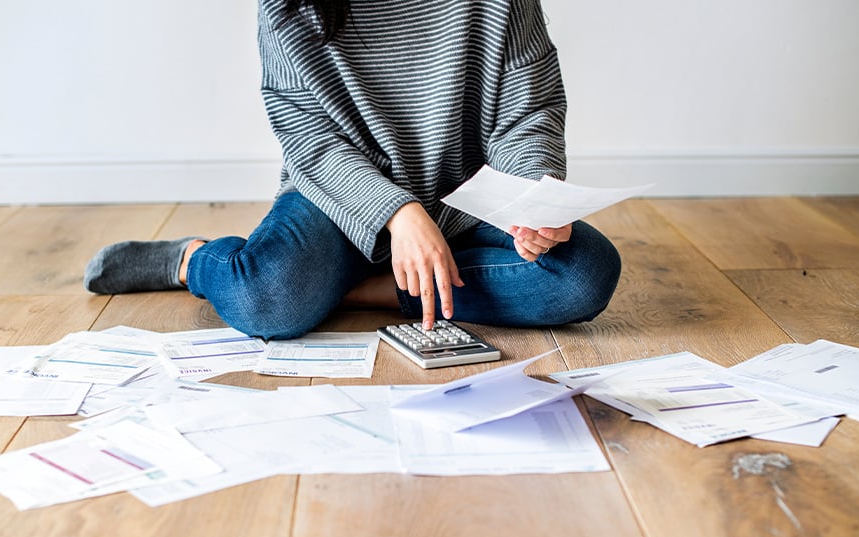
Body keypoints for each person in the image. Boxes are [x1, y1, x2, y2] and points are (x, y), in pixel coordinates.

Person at [84, 0, 621, 340]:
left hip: (464, 202)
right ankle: (194, 262)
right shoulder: (289, 6)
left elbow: (530, 108)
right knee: (265, 299)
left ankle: (361, 288)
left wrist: (531, 203)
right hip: (339, 197)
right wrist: (400, 213)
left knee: (583, 274)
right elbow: (309, 137)